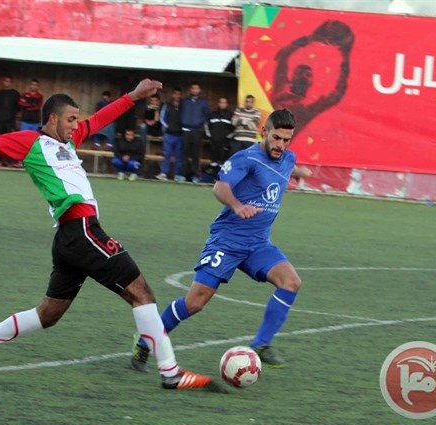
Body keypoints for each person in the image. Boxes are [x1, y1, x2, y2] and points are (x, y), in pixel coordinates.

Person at [0, 78, 217, 391]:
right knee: (142, 294)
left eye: (76, 120)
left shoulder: (70, 139)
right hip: (81, 229)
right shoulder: (30, 142)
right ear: (52, 119)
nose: (75, 126)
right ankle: (170, 372)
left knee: (48, 314)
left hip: (69, 238)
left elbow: (100, 119)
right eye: (69, 119)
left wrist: (133, 95)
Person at [131, 109, 312, 372]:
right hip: (226, 242)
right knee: (195, 302)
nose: (280, 145)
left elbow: (287, 167)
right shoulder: (246, 159)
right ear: (264, 132)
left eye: (286, 140)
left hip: (258, 244)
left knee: (291, 282)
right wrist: (238, 206)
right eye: (276, 138)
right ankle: (145, 343)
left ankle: (261, 344)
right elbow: (220, 187)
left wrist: (300, 172)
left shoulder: (287, 158)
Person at [178, 82, 210, 183]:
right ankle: (183, 175)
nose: (195, 90)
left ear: (199, 90)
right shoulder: (185, 101)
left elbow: (206, 115)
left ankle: (195, 176)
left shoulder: (203, 102)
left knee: (196, 155)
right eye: (193, 88)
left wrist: (200, 124)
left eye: (197, 88)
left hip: (197, 131)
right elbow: (180, 113)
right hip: (186, 130)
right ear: (190, 90)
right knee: (185, 154)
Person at [0, 75, 22, 167]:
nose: (7, 83)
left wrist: (11, 114)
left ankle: (11, 161)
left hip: (10, 122)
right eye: (5, 81)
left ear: (11, 82)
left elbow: (18, 107)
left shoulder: (15, 93)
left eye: (9, 81)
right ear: (3, 82)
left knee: (10, 142)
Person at [155, 88, 183, 181]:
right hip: (169, 134)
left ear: (181, 95)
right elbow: (162, 118)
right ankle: (164, 173)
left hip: (180, 135)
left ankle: (177, 174)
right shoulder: (167, 105)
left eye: (179, 94)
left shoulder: (184, 106)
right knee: (167, 154)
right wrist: (168, 127)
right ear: (173, 95)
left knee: (179, 156)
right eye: (175, 94)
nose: (177, 96)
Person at [204, 97, 234, 181]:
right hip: (214, 141)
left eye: (224, 102)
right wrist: (210, 136)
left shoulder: (230, 115)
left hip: (224, 142)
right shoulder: (213, 114)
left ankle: (220, 179)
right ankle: (212, 179)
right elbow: (207, 125)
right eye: (221, 102)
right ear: (219, 103)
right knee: (213, 161)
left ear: (226, 104)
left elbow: (234, 128)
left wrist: (228, 136)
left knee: (222, 161)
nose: (222, 104)